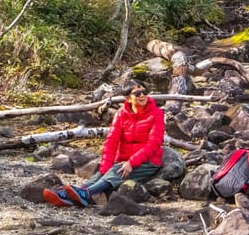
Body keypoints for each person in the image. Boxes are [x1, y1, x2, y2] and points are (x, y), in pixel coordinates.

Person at [43, 81, 175, 207]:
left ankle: (87, 194)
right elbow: (111, 141)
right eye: (137, 93)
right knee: (102, 173)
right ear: (128, 98)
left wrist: (131, 162)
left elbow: (154, 143)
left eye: (144, 92)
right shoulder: (121, 114)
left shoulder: (156, 113)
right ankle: (71, 196)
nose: (142, 95)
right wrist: (106, 166)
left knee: (116, 171)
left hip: (147, 162)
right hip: (123, 160)